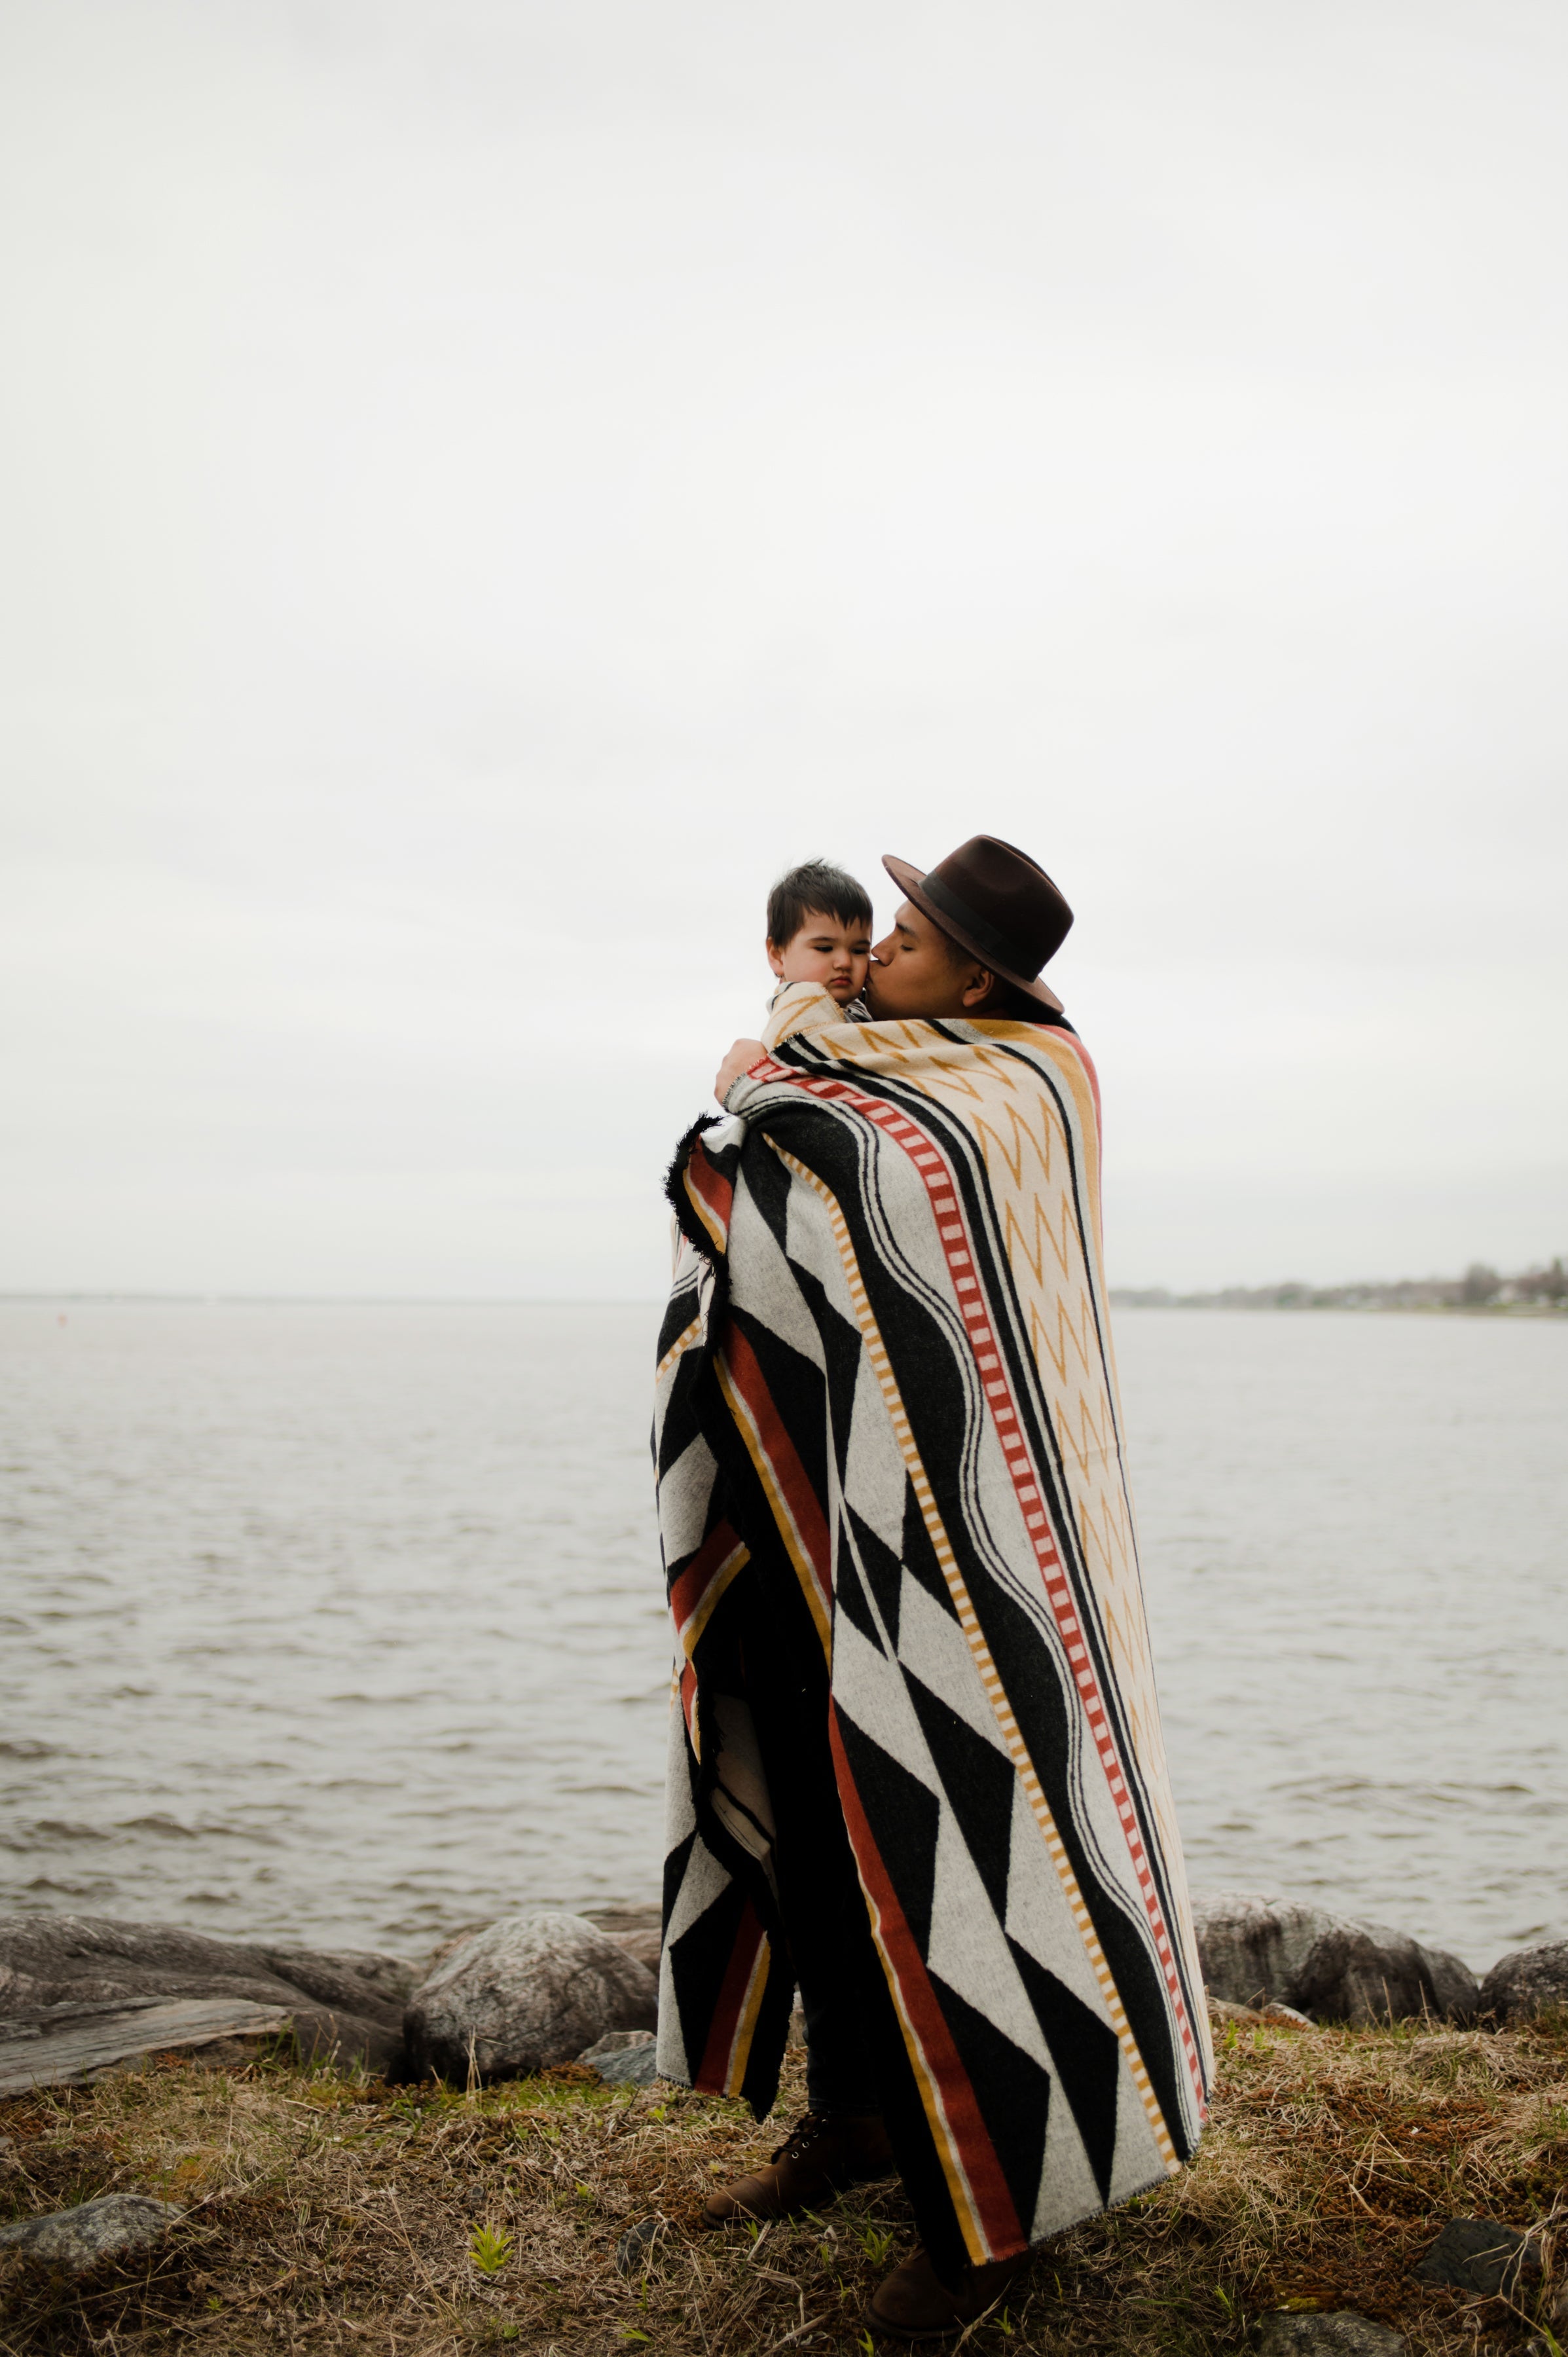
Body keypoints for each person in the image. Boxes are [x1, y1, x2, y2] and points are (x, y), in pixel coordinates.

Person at [653, 835, 1211, 2341]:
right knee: (830, 1816)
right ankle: (856, 2117)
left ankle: (998, 2214)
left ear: (975, 972)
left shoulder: (1023, 1085)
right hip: (824, 1509)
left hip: (976, 1561)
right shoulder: (888, 1058)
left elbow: (851, 1158)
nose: (871, 957)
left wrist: (775, 1054)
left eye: (901, 939)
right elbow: (771, 1195)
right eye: (873, 936)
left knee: (971, 1834)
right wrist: (783, 1075)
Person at [761, 856, 874, 1014]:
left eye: (859, 951)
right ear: (778, 956)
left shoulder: (864, 1010)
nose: (845, 963)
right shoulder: (797, 1018)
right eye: (824, 948)